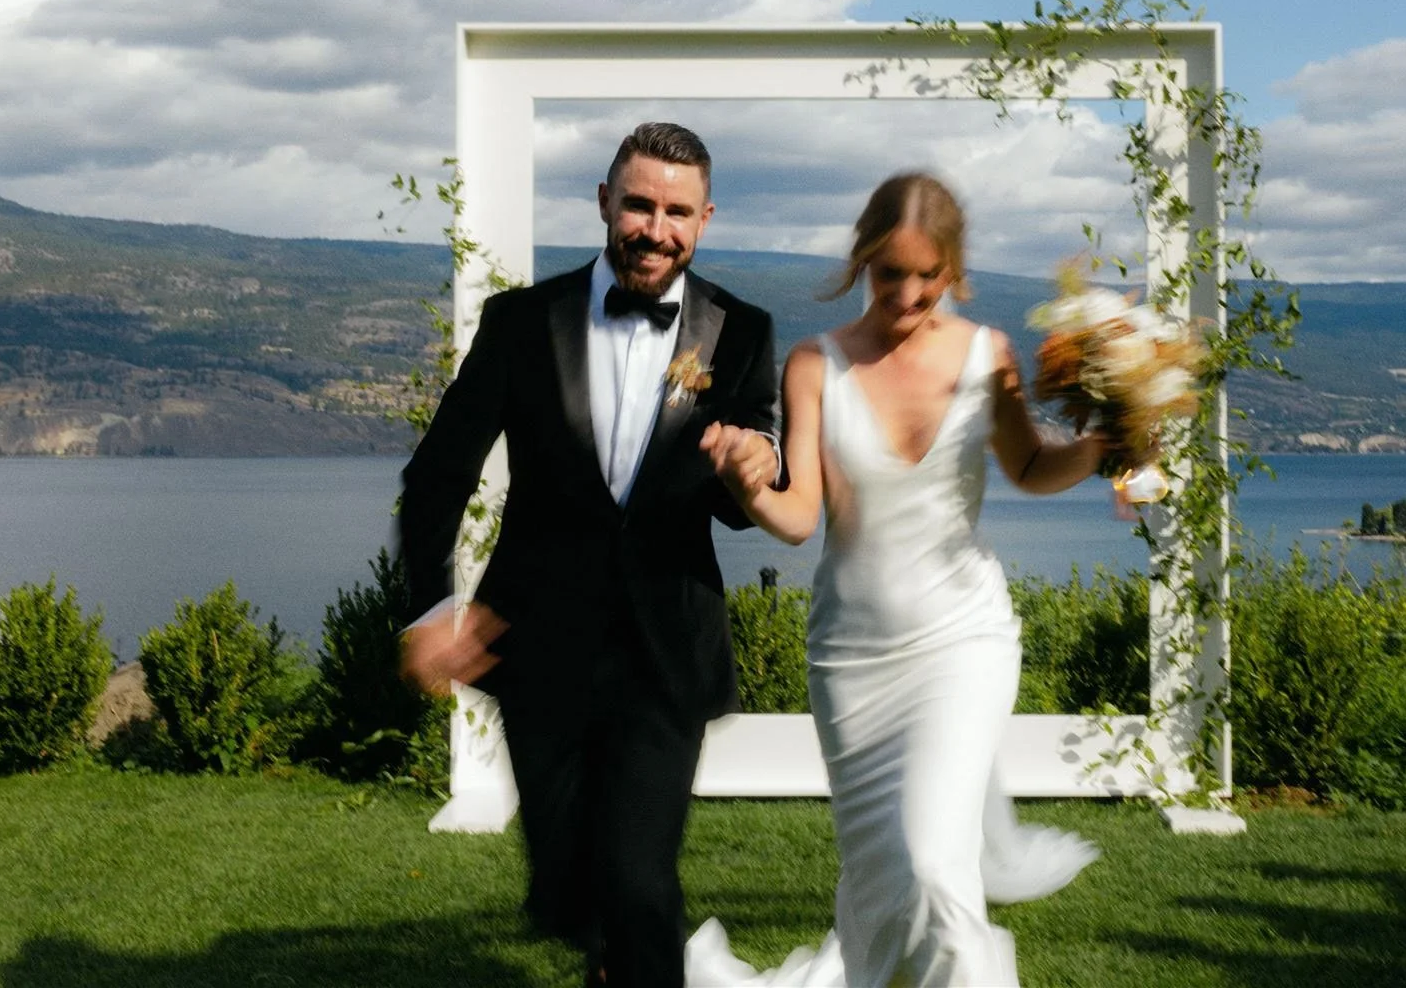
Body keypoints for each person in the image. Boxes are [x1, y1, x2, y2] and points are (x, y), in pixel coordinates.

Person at [693, 172, 1105, 987]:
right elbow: (802, 515)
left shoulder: (988, 354)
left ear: (954, 269)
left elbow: (1026, 465)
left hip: (963, 640)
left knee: (933, 864)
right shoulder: (816, 365)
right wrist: (747, 488)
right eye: (890, 274)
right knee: (886, 884)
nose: (909, 294)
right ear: (863, 262)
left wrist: (1106, 442)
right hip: (852, 663)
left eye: (929, 275)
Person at [397, 122, 780, 988]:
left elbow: (747, 493)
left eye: (677, 211)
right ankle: (602, 949)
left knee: (641, 881)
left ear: (705, 218)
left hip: (666, 651)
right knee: (567, 887)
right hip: (537, 645)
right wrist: (431, 611)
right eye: (639, 204)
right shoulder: (521, 323)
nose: (655, 228)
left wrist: (757, 466)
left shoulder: (741, 332)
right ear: (605, 203)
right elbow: (436, 477)